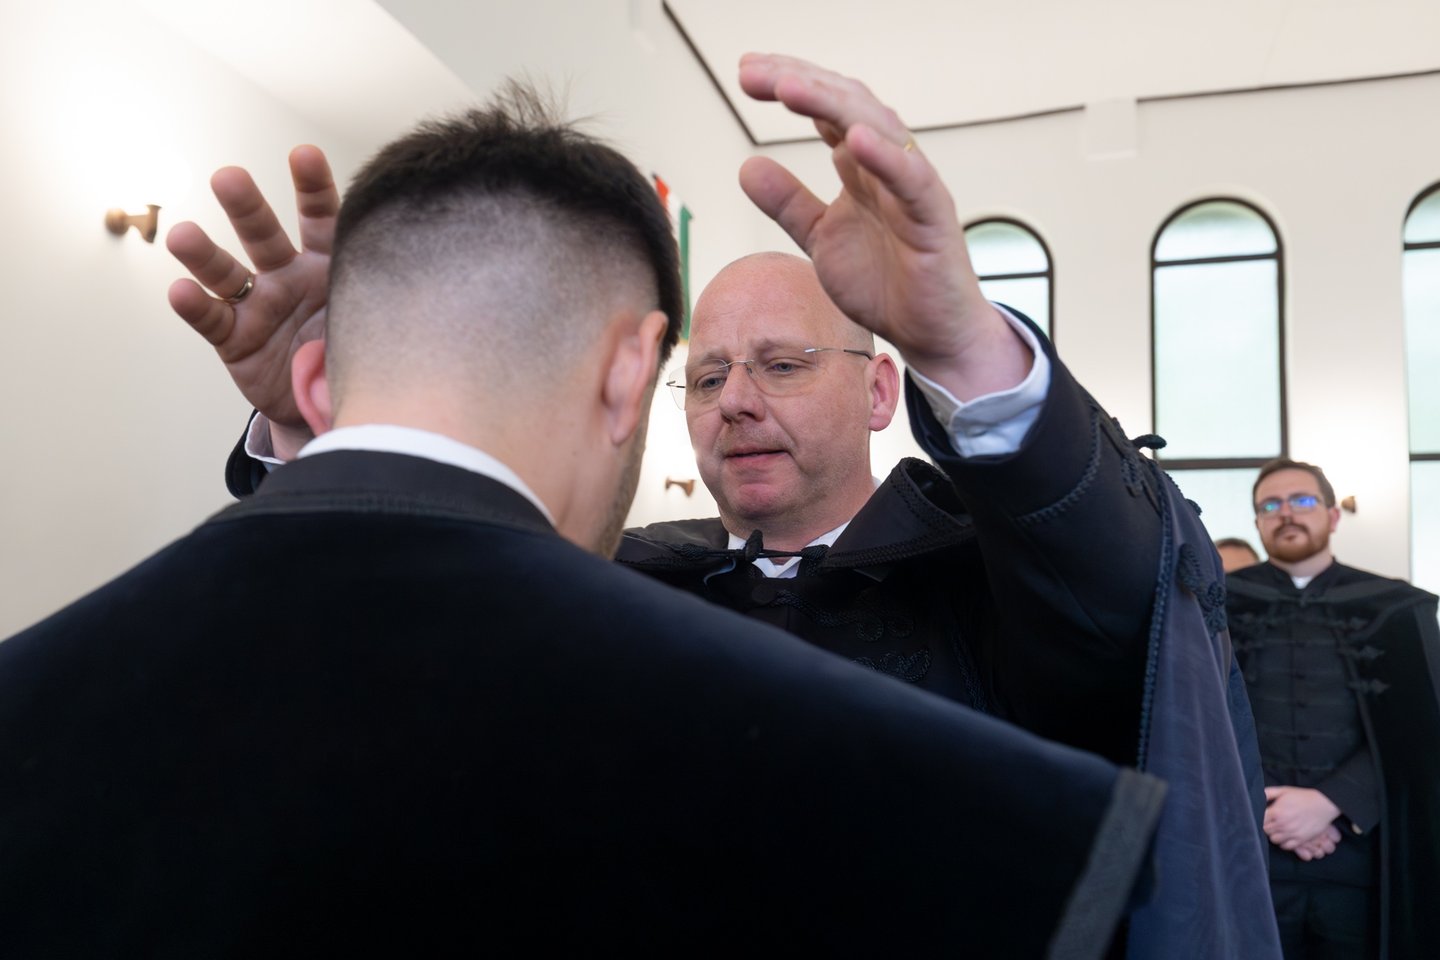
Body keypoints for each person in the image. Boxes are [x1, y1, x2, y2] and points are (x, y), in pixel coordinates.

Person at [0, 82, 1168, 958]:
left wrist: (967, 346)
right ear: (640, 377)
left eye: (780, 364)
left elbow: (1122, 605)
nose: (736, 402)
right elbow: (384, 662)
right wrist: (345, 432)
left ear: (878, 390)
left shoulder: (988, 580)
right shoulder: (623, 575)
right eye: (704, 376)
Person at [1227, 457, 1440, 958]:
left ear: (1332, 515)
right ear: (1258, 522)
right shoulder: (1216, 605)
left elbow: (1421, 729)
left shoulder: (1395, 608)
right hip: (1248, 856)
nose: (1286, 513)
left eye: (1301, 500)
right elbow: (1198, 717)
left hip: (1360, 864)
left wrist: (1331, 802)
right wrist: (1267, 808)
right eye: (1270, 506)